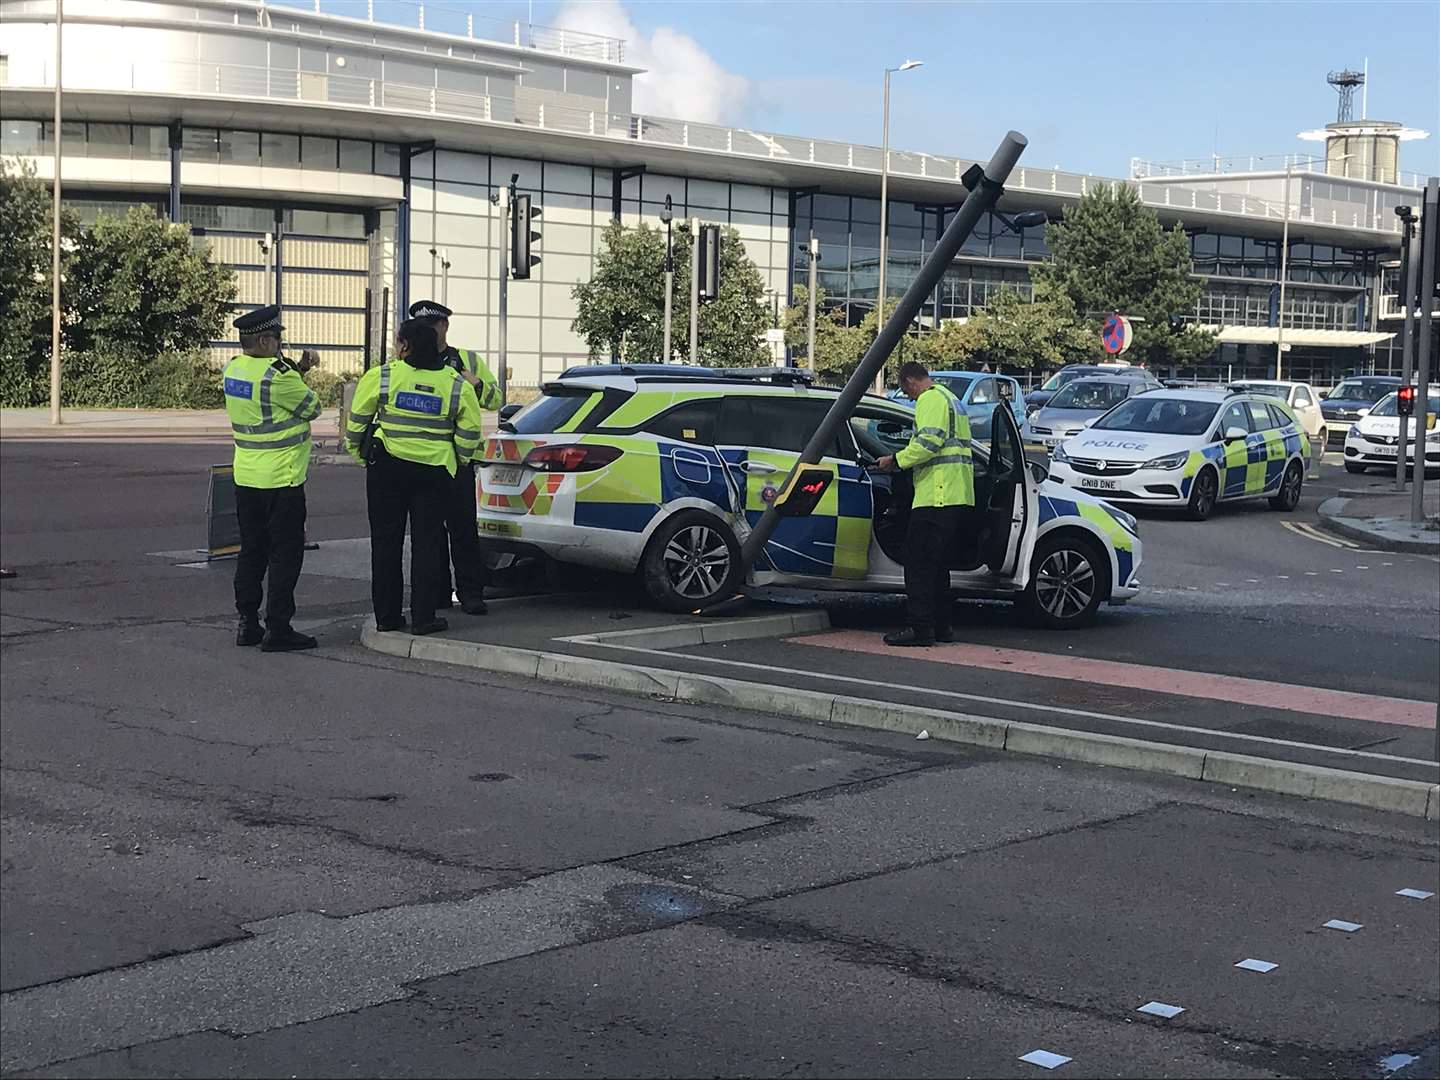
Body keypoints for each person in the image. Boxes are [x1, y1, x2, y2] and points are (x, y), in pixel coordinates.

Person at [346, 319, 484, 635]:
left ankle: (387, 617)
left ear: (405, 346)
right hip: (434, 475)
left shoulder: (382, 377)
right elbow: (469, 433)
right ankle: (424, 618)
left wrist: (360, 456)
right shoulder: (455, 384)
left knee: (385, 545)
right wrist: (457, 461)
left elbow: (356, 424)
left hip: (387, 471)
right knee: (428, 545)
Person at [220, 305, 323, 652]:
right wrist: (301, 372)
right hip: (283, 479)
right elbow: (312, 408)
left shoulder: (232, 369)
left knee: (251, 551)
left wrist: (300, 369)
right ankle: (278, 627)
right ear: (264, 340)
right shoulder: (280, 376)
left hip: (246, 477)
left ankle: (247, 622)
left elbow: (271, 394)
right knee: (284, 554)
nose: (281, 345)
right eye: (278, 339)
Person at [409, 300, 501, 616]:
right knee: (429, 533)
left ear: (444, 327)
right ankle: (436, 594)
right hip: (426, 459)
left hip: (460, 460)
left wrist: (476, 385)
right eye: (422, 328)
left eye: (432, 327)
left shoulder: (467, 359)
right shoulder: (411, 360)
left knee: (463, 529)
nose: (428, 334)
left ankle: (471, 593)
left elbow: (496, 397)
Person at [876, 360, 976, 647]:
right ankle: (942, 626)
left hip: (937, 494)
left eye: (905, 390)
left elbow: (928, 444)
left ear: (910, 381)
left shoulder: (929, 400)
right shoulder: (951, 399)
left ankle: (920, 629)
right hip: (956, 494)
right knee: (938, 567)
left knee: (918, 566)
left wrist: (893, 461)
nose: (907, 396)